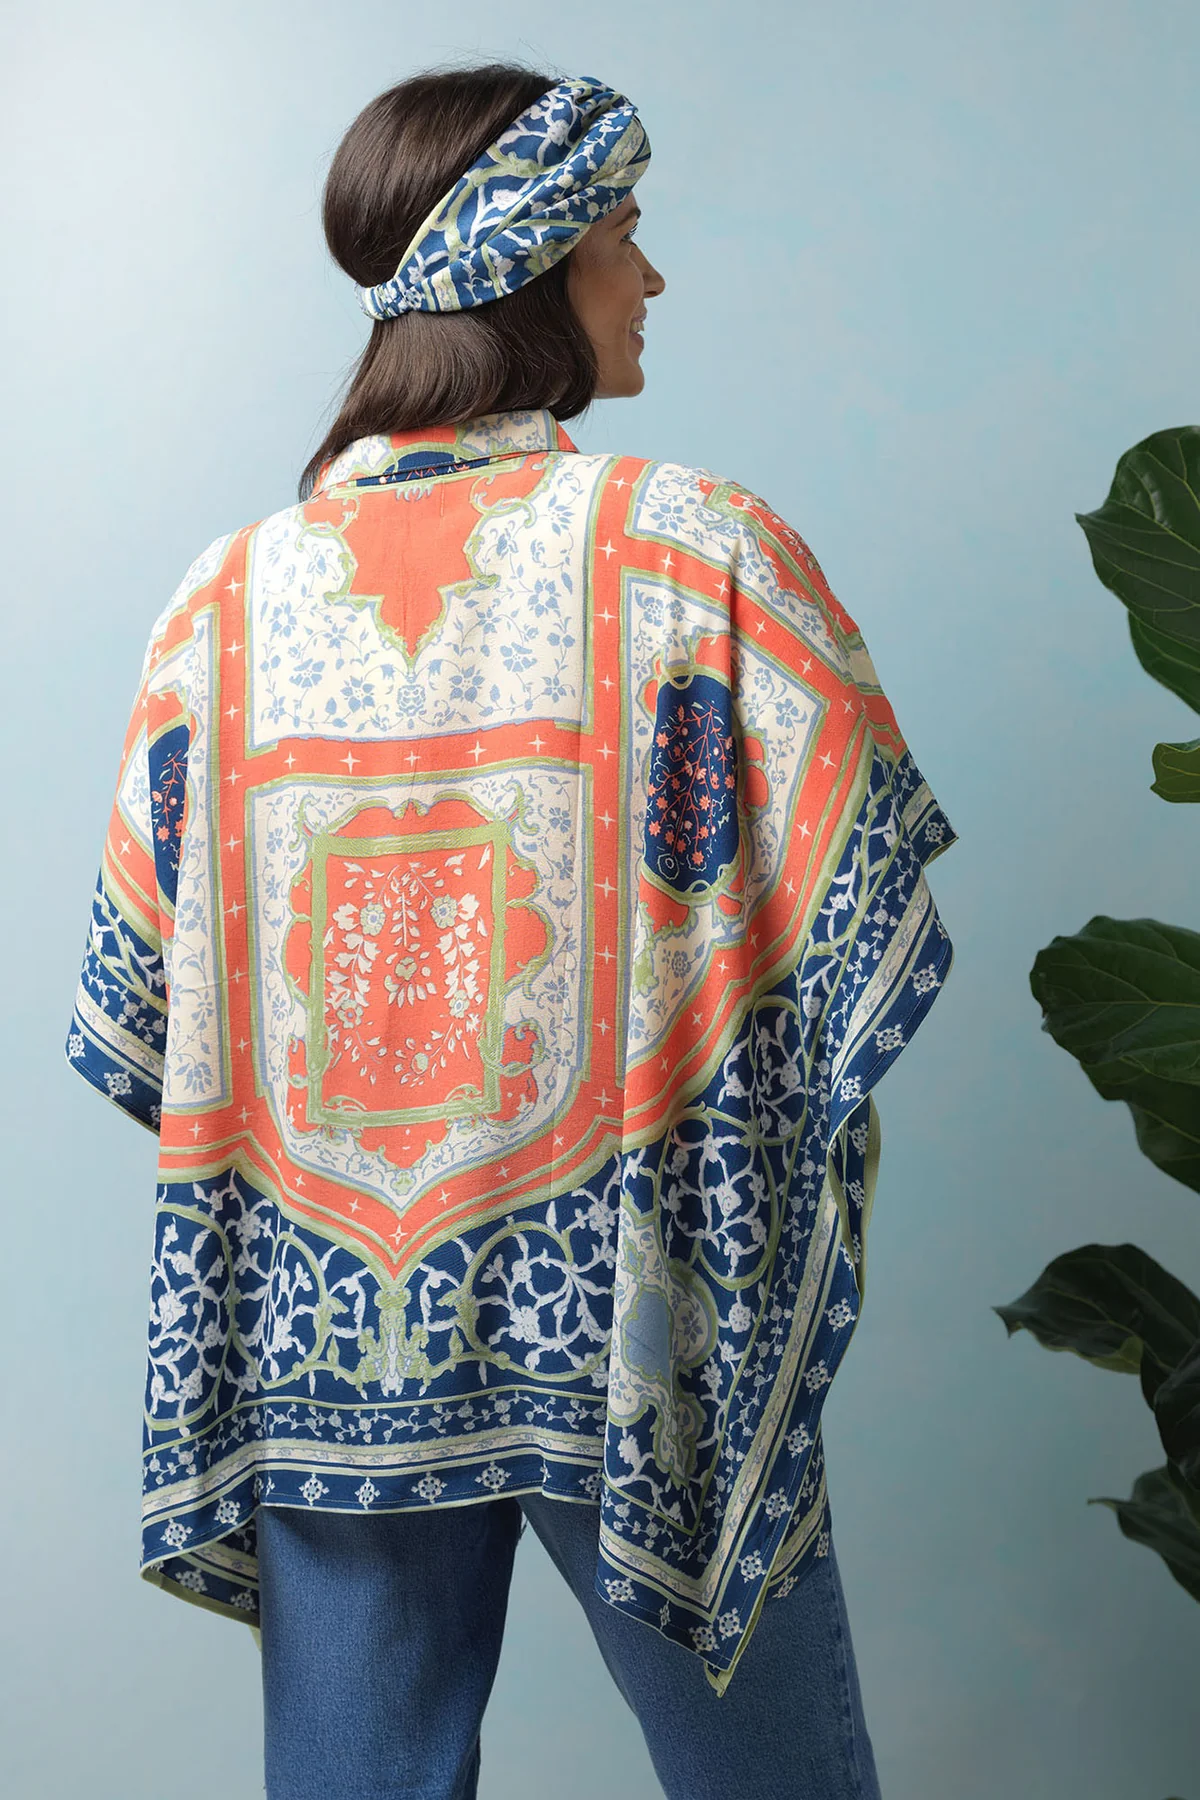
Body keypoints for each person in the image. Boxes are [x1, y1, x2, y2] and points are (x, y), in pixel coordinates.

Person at [64, 61, 958, 1800]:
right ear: (534, 262)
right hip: (639, 1307)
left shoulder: (215, 607)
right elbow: (856, 903)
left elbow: (142, 1004)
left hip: (330, 1324)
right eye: (625, 233)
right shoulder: (689, 547)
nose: (651, 274)